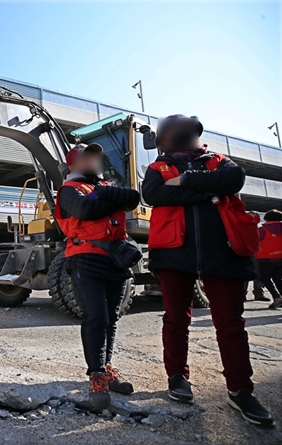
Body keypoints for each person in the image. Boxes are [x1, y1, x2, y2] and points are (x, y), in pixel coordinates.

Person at [142, 114, 274, 426]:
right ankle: (177, 377)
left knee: (230, 324)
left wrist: (186, 181)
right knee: (176, 319)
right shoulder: (157, 169)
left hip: (223, 252)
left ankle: (240, 389)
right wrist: (211, 193)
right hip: (174, 252)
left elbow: (234, 180)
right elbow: (155, 195)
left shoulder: (219, 161)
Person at [55, 143, 140, 409]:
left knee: (112, 318)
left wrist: (102, 193)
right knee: (97, 318)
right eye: (84, 157)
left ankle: (107, 367)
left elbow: (133, 197)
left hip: (114, 260)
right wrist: (109, 196)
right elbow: (84, 211)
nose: (92, 160)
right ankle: (96, 375)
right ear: (71, 165)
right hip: (85, 259)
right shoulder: (68, 191)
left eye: (94, 157)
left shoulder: (102, 187)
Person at [256, 209, 282, 309]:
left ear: (266, 219)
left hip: (265, 258)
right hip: (280, 258)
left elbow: (254, 240)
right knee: (278, 279)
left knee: (264, 278)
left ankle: (277, 297)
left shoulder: (262, 230)